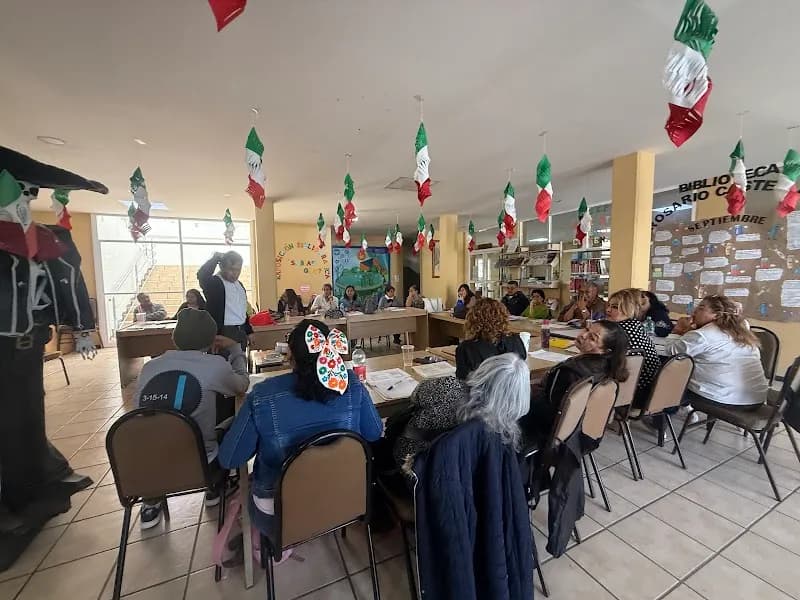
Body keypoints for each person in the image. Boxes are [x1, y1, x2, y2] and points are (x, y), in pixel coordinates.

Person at [0, 146, 103, 567]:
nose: (21, 202)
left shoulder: (46, 241)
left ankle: (34, 484)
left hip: (24, 350)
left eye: (26, 194)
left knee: (26, 419)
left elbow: (70, 286)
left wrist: (81, 329)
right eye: (15, 193)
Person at [219, 319, 384, 539]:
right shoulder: (351, 384)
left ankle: (281, 543)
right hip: (346, 498)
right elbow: (373, 433)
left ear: (291, 356)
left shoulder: (262, 395)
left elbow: (230, 458)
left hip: (281, 512)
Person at [134, 309, 249, 529]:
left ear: (174, 337)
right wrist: (235, 349)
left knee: (167, 430)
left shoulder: (149, 368)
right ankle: (214, 487)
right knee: (238, 415)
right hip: (202, 467)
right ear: (211, 339)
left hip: (149, 469)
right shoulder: (214, 366)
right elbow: (242, 385)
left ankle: (151, 501)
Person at [520, 320, 630, 446]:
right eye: (587, 330)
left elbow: (548, 410)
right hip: (582, 434)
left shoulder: (571, 372)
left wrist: (525, 393)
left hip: (550, 433)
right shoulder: (607, 368)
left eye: (592, 338)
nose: (583, 335)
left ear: (606, 350)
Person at [667, 295, 767, 410]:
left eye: (701, 308)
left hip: (723, 399)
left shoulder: (702, 334)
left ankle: (660, 419)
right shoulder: (741, 329)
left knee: (666, 378)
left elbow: (672, 352)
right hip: (756, 399)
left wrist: (678, 330)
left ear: (717, 315)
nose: (694, 312)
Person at [606, 288, 660, 406]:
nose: (608, 310)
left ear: (628, 309)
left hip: (633, 392)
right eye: (609, 305)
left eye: (615, 307)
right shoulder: (636, 325)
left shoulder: (618, 332)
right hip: (652, 390)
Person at [455, 298, 527, 380]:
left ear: (472, 319)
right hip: (514, 391)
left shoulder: (466, 348)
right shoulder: (516, 340)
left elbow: (462, 381)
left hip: (481, 392)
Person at [197, 251, 252, 351]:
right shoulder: (214, 283)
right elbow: (202, 275)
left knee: (241, 363)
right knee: (224, 364)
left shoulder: (239, 285)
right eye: (231, 269)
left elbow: (241, 309)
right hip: (224, 332)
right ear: (222, 267)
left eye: (238, 270)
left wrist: (249, 331)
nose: (235, 273)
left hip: (240, 330)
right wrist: (215, 259)